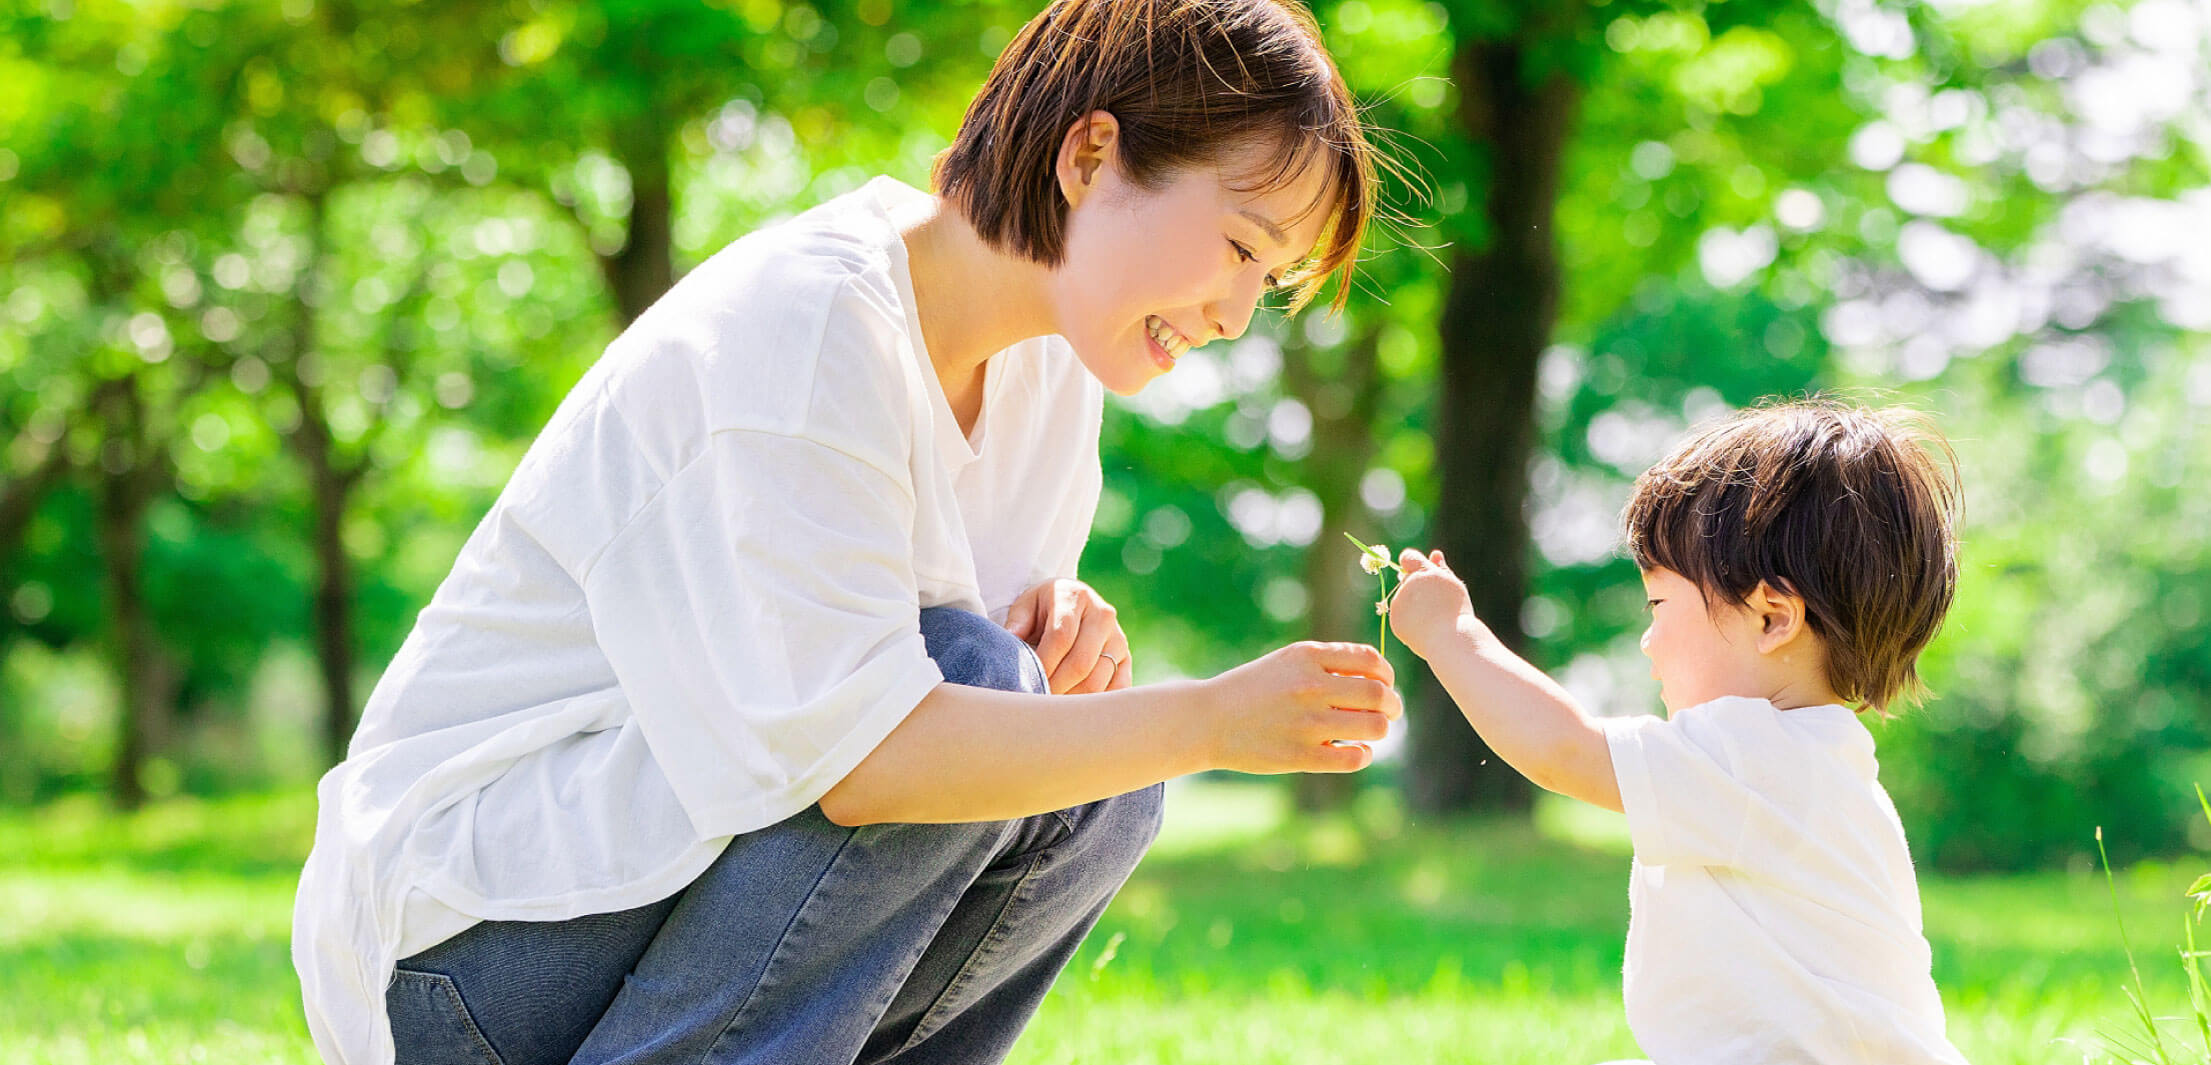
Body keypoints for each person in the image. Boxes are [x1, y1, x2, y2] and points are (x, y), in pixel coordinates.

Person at [291, 2, 1399, 1063]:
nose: (1238, 314)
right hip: (463, 962)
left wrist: (1059, 649)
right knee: (986, 692)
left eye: (1274, 278)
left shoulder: (1054, 371)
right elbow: (871, 761)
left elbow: (979, 703)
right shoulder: (813, 325)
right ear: (1091, 156)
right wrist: (1206, 719)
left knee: (1097, 768)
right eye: (1244, 247)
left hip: (655, 900)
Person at [1384, 399, 1972, 1064]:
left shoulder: (1753, 754)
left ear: (1772, 618)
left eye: (1659, 604)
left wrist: (1450, 636)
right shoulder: (1821, 765)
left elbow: (1561, 748)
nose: (1646, 641)